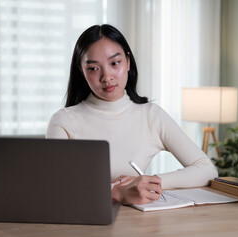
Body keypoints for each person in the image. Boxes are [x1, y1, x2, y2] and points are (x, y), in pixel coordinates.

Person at [46, 24, 218, 205]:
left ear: (128, 62)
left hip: (137, 225)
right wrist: (115, 192)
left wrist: (148, 182)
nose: (106, 77)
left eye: (114, 63)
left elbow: (206, 170)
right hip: (81, 223)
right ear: (81, 71)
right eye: (93, 68)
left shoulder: (151, 116)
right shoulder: (64, 120)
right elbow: (52, 186)